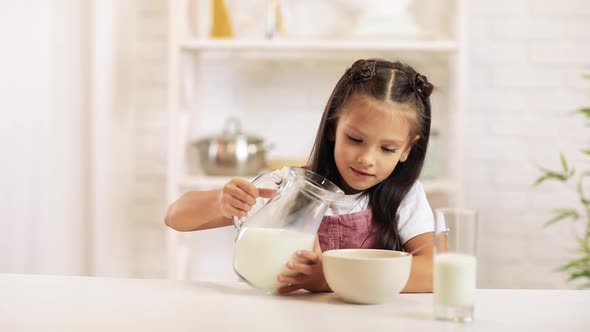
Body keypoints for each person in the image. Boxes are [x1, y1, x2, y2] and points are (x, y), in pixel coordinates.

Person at [165, 58, 436, 294]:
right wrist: (221, 203)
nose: (367, 158)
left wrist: (331, 277)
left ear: (407, 150)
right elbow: (175, 216)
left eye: (387, 149)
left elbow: (433, 271)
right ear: (332, 128)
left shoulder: (404, 196)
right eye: (355, 139)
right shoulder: (290, 189)